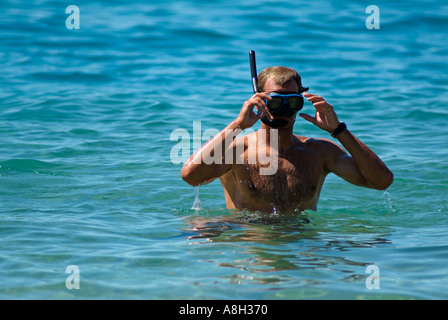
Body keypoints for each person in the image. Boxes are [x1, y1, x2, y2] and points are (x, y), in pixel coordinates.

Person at [181, 66, 394, 213]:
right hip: (250, 243)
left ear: (301, 103)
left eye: (292, 102)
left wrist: (338, 130)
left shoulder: (319, 153)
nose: (283, 111)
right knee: (197, 231)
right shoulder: (237, 151)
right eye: (274, 102)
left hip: (300, 245)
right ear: (258, 101)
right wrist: (238, 125)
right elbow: (190, 176)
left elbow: (382, 182)